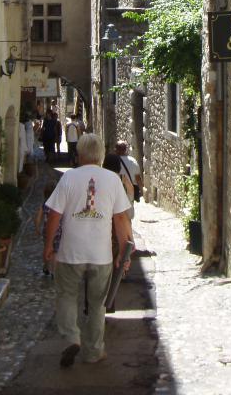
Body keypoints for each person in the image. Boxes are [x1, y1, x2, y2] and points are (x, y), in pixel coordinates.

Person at [44, 133, 133, 367]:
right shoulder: (112, 179)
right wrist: (123, 253)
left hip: (70, 251)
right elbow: (121, 218)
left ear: (80, 154)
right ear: (101, 155)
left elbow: (54, 215)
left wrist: (48, 245)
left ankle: (71, 338)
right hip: (100, 254)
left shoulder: (69, 177)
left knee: (66, 296)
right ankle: (94, 351)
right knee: (97, 304)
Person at [34, 181, 61, 275]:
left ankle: (46, 266)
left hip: (47, 230)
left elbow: (37, 218)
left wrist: (37, 228)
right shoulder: (60, 204)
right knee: (55, 251)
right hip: (58, 230)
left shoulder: (45, 205)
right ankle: (53, 271)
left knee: (47, 248)